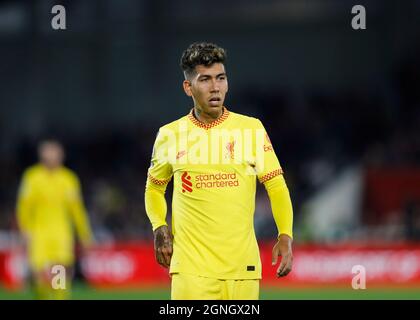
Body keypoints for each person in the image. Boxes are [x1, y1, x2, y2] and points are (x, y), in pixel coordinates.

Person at [144, 42, 293, 300]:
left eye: (220, 78)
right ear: (188, 87)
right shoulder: (170, 135)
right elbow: (154, 189)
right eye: (205, 80)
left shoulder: (251, 129)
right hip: (191, 270)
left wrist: (285, 235)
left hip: (243, 269)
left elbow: (276, 186)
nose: (215, 88)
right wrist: (159, 227)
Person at [16, 139, 93, 299]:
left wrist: (84, 234)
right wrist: (24, 229)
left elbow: (77, 210)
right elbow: (23, 207)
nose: (52, 156)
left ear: (61, 155)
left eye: (55, 153)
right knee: (40, 279)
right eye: (49, 152)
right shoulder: (32, 177)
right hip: (38, 234)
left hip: (61, 234)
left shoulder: (68, 179)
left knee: (60, 277)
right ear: (41, 155)